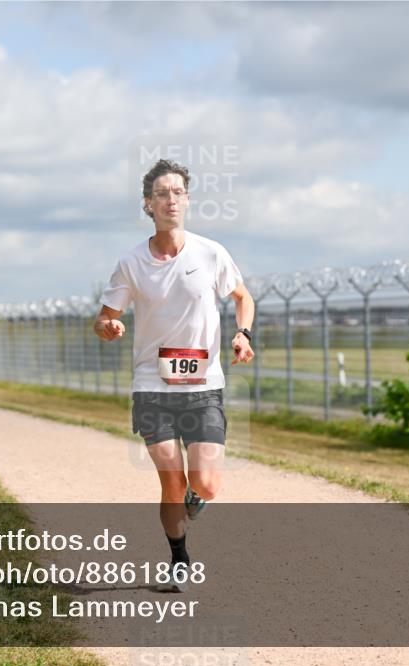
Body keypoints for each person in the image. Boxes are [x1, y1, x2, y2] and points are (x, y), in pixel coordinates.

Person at [94, 159, 255, 593]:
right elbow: (105, 318)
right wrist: (109, 327)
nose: (171, 200)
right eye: (162, 193)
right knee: (172, 481)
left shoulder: (211, 253)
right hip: (153, 388)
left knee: (205, 483)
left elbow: (242, 297)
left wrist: (242, 333)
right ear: (148, 204)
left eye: (178, 192)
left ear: (187, 200)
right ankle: (179, 557)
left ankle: (195, 501)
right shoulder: (131, 263)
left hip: (204, 388)